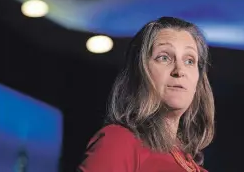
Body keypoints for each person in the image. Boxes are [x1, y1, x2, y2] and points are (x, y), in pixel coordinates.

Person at [77, 17, 215, 172]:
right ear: (139, 73)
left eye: (189, 61)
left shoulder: (195, 167)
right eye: (164, 58)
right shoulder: (119, 141)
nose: (179, 70)